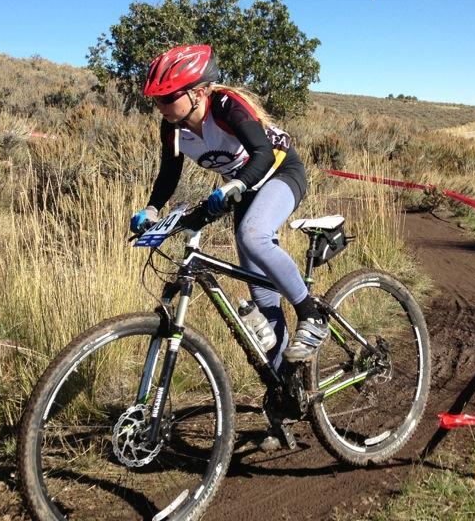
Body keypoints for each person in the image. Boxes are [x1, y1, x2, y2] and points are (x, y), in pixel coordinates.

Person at [130, 43, 327, 368]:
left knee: (253, 236)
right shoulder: (172, 126)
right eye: (155, 99)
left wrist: (234, 185)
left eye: (167, 97)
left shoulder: (224, 106)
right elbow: (169, 173)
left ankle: (311, 314)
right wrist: (151, 208)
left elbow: (262, 153)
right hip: (245, 189)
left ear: (198, 92)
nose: (159, 105)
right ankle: (285, 384)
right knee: (262, 294)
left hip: (280, 173)